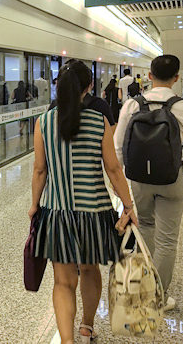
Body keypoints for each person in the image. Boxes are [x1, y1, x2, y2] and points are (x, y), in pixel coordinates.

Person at [29, 60, 137, 344]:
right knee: (89, 270)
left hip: (57, 212)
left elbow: (40, 170)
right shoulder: (98, 121)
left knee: (63, 281)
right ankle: (87, 327)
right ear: (89, 87)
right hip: (94, 211)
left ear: (58, 86)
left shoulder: (43, 123)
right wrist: (128, 205)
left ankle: (67, 341)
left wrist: (33, 204)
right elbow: (113, 170)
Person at [114, 54, 183, 312]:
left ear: (149, 75)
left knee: (145, 226)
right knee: (168, 240)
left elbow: (118, 145)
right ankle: (158, 296)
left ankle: (142, 289)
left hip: (140, 179)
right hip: (174, 178)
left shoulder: (132, 105)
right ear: (177, 78)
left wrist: (123, 180)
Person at [48, 61, 115, 127]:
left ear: (58, 84)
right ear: (90, 85)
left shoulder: (52, 110)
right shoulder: (100, 107)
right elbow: (112, 132)